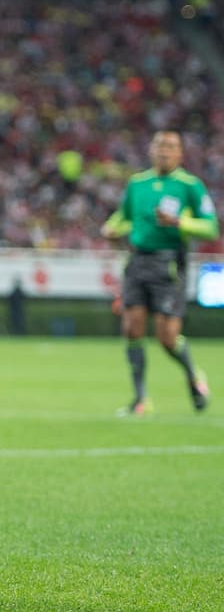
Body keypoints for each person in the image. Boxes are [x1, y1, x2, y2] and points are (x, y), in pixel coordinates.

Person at [101, 130, 216, 416]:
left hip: (169, 263)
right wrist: (111, 227)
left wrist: (180, 223)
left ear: (180, 154)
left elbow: (210, 227)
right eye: (160, 146)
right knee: (131, 327)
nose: (164, 151)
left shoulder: (190, 186)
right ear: (151, 150)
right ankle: (141, 400)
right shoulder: (137, 183)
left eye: (171, 146)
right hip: (137, 260)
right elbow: (124, 217)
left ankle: (193, 375)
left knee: (167, 337)